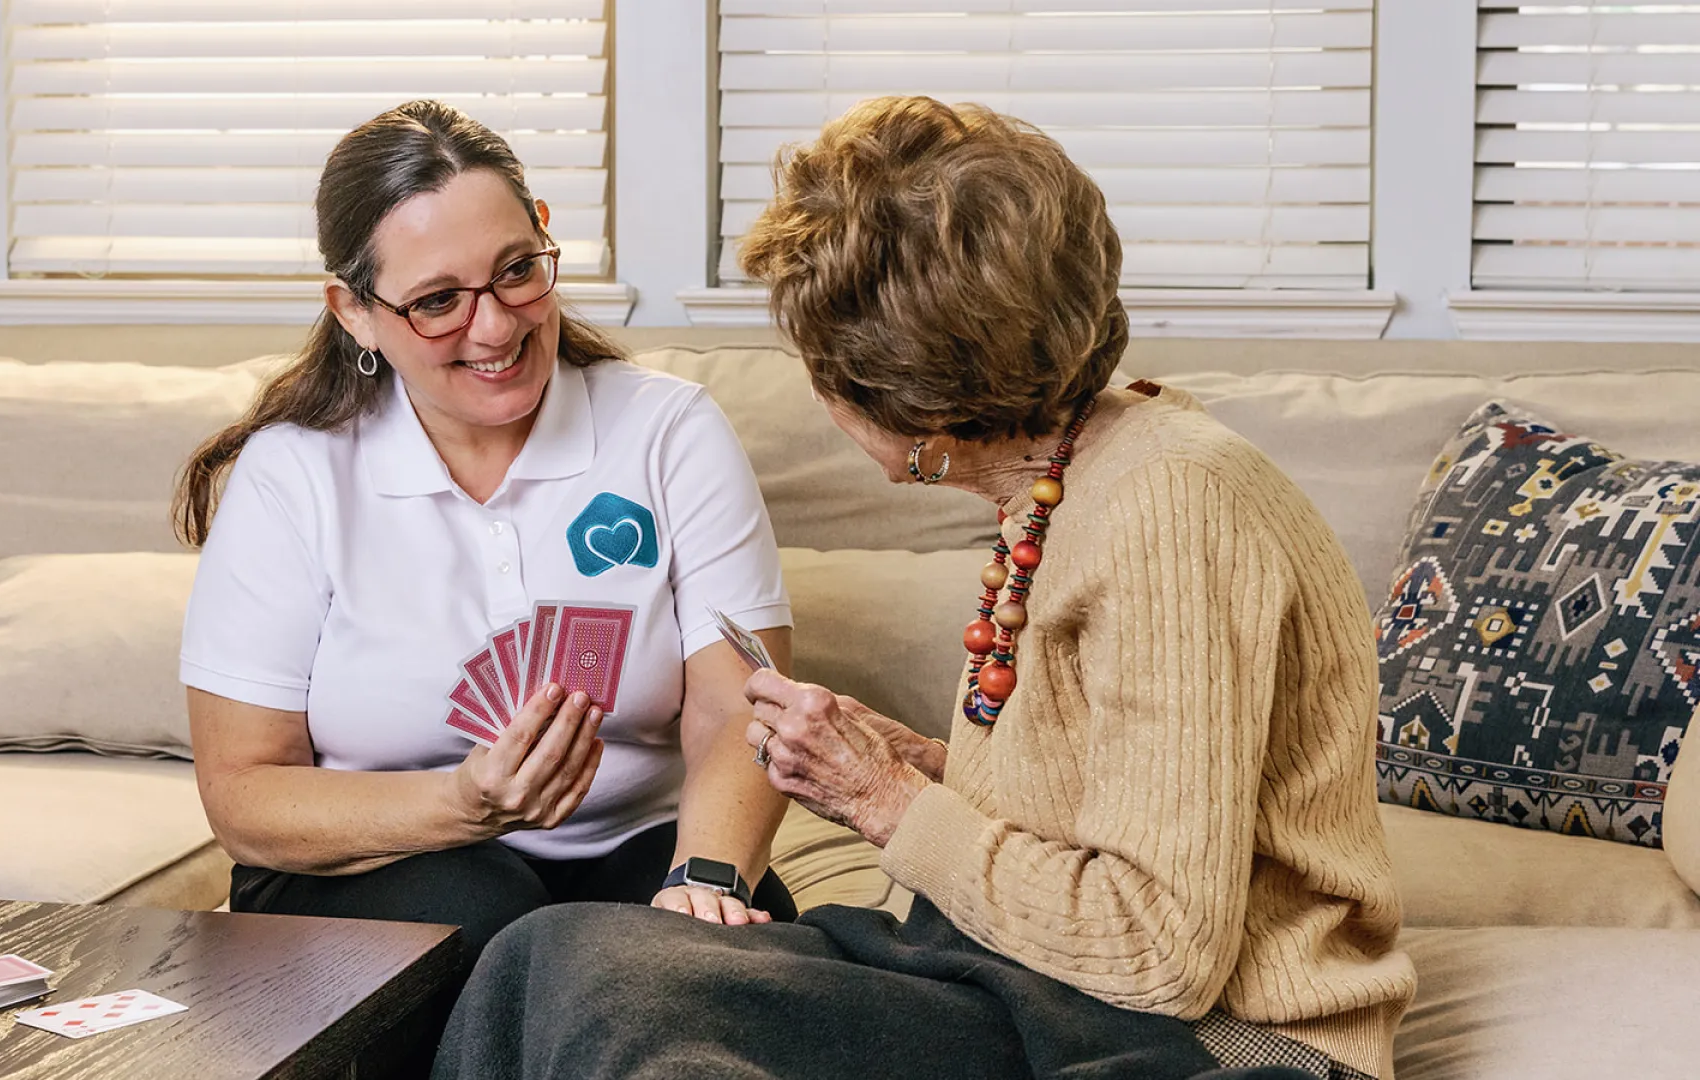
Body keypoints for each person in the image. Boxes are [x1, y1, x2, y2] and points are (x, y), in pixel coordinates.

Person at [431, 97, 1417, 1080]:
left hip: (1217, 1045)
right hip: (1030, 985)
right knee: (548, 956)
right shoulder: (1069, 478)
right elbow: (1118, 802)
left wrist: (884, 800)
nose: (817, 391)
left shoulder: (1170, 508)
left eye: (822, 363)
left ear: (913, 403)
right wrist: (916, 764)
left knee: (618, 999)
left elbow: (1158, 950)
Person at [173, 101, 801, 979]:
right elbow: (243, 795)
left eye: (517, 271)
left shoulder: (669, 431)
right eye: (437, 301)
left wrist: (703, 878)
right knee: (494, 925)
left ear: (546, 236)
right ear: (354, 311)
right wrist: (462, 803)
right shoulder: (295, 474)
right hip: (375, 862)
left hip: (639, 848)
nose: (498, 326)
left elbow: (741, 706)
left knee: (729, 937)